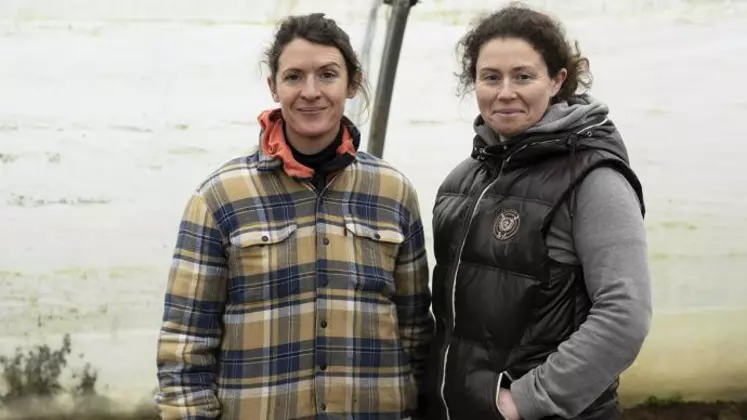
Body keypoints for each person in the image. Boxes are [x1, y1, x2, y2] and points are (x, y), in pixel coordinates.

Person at [155, 13, 434, 419]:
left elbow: (415, 335)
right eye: (293, 77)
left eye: (327, 75)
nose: (311, 92)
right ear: (273, 86)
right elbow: (184, 347)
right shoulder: (220, 197)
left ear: (351, 83)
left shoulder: (393, 193)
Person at [425, 4, 652, 420]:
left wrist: (525, 401)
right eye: (490, 77)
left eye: (523, 76)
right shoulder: (462, 180)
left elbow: (625, 314)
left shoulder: (595, 179)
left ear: (557, 80)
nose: (505, 91)